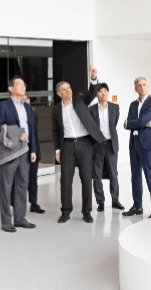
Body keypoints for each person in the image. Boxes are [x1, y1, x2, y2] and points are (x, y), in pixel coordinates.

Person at [52, 66, 105, 224]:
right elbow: (55, 131)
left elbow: (91, 93)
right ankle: (65, 211)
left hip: (84, 144)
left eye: (68, 87)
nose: (68, 90)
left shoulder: (81, 100)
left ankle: (87, 212)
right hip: (67, 146)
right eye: (64, 89)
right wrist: (57, 150)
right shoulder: (56, 109)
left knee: (86, 179)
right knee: (65, 180)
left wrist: (94, 78)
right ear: (59, 93)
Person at [0, 76, 38, 232]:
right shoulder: (3, 106)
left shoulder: (28, 107)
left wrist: (33, 150)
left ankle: (19, 218)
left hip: (25, 151)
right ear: (11, 88)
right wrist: (17, 134)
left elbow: (32, 130)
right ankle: (6, 221)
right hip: (9, 152)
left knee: (22, 185)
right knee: (6, 186)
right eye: (19, 84)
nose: (23, 86)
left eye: (24, 84)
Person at [122, 76, 151, 218]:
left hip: (147, 144)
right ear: (135, 89)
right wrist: (138, 123)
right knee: (135, 176)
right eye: (139, 85)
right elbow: (129, 124)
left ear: (148, 86)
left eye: (144, 84)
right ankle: (137, 206)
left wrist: (133, 123)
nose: (142, 87)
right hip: (134, 143)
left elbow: (139, 121)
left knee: (150, 175)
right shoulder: (133, 105)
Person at [88, 83, 125, 212]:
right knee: (97, 174)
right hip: (97, 145)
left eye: (105, 91)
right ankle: (100, 202)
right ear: (96, 94)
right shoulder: (91, 109)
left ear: (108, 93)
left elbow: (114, 123)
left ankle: (115, 200)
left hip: (111, 144)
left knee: (113, 174)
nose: (103, 93)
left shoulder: (115, 107)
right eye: (100, 91)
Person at [22, 95, 45, 214]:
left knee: (32, 177)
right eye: (23, 99)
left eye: (27, 99)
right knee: (19, 178)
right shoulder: (16, 114)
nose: (25, 101)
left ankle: (33, 203)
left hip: (32, 149)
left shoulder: (33, 114)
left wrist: (35, 150)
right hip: (19, 149)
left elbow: (34, 134)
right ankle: (16, 204)